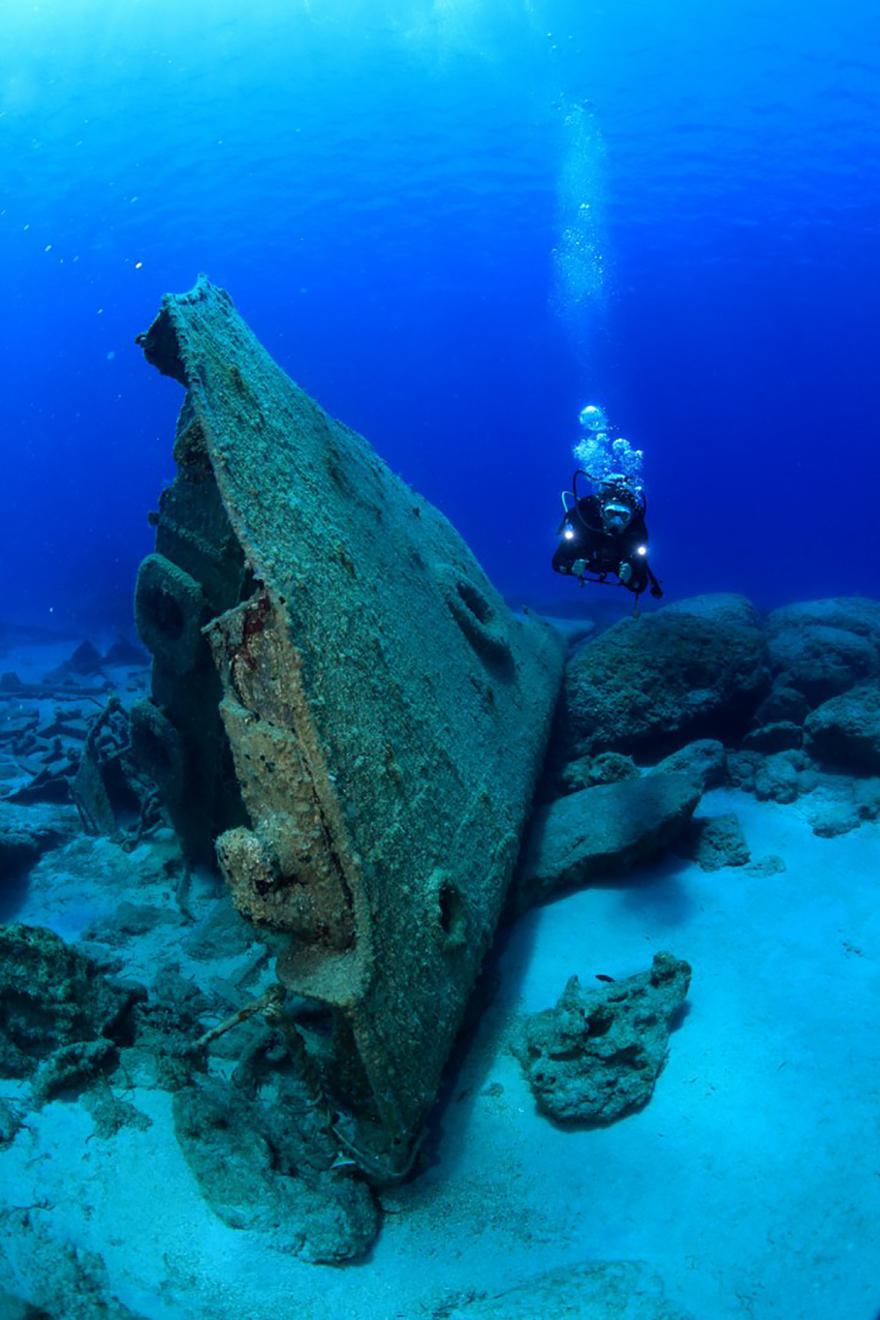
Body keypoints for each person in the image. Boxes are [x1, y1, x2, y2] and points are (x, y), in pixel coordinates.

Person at [553, 469, 663, 608]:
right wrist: (571, 568)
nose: (616, 522)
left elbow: (640, 585)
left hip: (617, 564)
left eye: (624, 516)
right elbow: (557, 562)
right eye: (611, 513)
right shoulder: (584, 525)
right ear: (601, 511)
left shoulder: (635, 534)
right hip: (587, 558)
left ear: (631, 518)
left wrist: (630, 578)